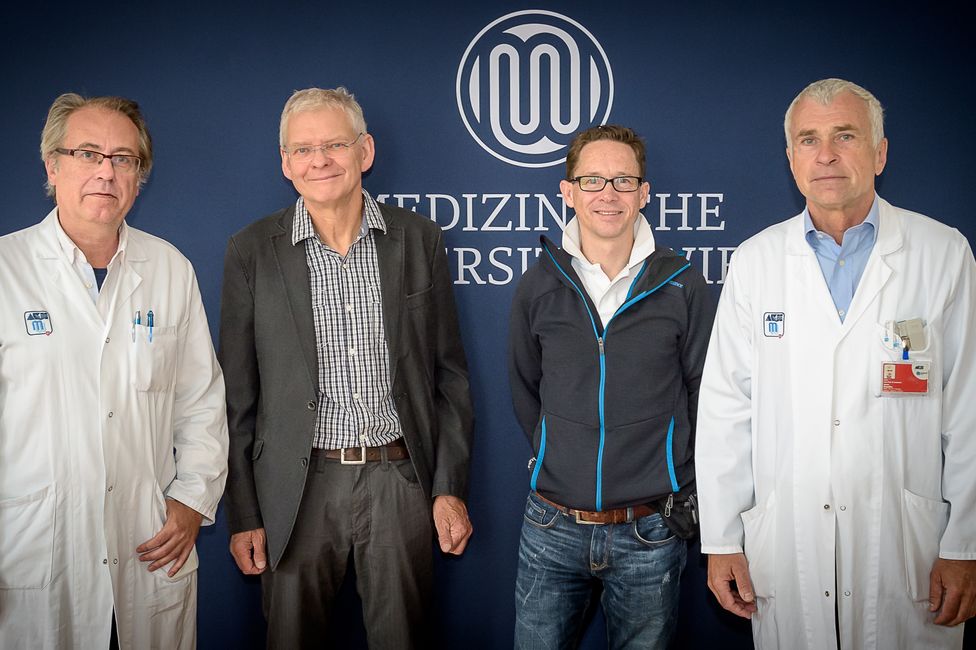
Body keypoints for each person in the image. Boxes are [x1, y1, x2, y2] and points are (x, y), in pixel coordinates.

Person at [696, 78, 976, 648]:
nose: (825, 154)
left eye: (845, 136)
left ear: (880, 152)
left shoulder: (942, 254)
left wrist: (965, 544)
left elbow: (969, 408)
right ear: (791, 158)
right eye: (808, 139)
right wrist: (721, 539)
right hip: (788, 542)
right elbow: (726, 409)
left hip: (908, 545)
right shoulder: (756, 262)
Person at [219, 87, 474, 649]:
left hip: (398, 481)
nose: (320, 160)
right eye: (303, 149)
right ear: (286, 163)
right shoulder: (251, 251)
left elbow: (450, 378)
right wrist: (245, 513)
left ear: (365, 150)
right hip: (295, 492)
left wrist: (448, 487)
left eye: (334, 144)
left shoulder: (420, 239)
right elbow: (237, 400)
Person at [0, 93, 228, 649]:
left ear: (138, 177)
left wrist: (191, 501)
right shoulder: (7, 269)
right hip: (31, 551)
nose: (106, 171)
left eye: (123, 158)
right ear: (52, 166)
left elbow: (201, 403)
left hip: (148, 545)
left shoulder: (170, 269)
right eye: (87, 153)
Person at [508, 124, 714, 649]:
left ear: (644, 193)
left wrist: (677, 479)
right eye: (592, 180)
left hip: (650, 531)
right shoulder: (539, 284)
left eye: (623, 180)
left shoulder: (682, 283)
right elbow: (526, 387)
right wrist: (560, 457)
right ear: (568, 191)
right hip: (551, 526)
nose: (608, 194)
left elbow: (703, 393)